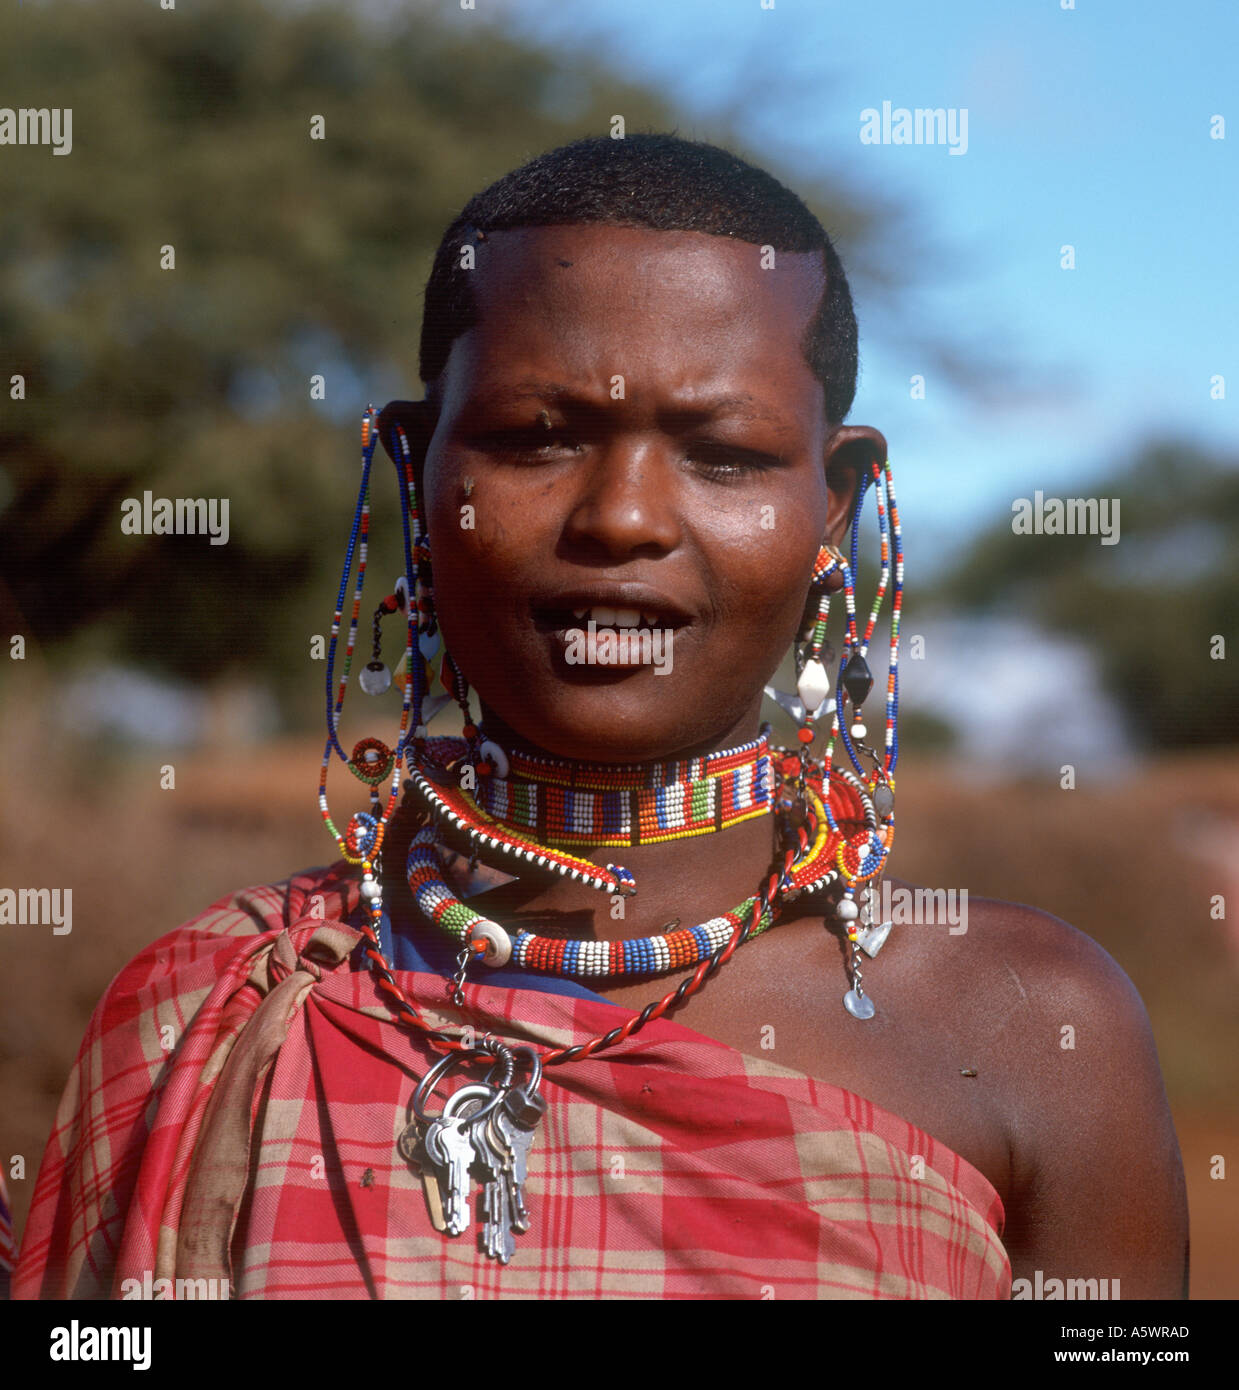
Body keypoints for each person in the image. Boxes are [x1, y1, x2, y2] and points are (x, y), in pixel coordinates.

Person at [14, 133, 1187, 1300]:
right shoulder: (207, 1010)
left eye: (723, 454)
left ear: (833, 509)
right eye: (538, 438)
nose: (623, 518)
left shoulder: (1033, 1032)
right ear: (418, 469)